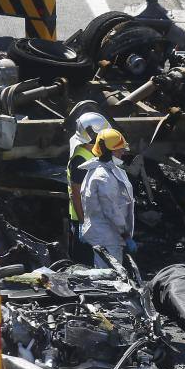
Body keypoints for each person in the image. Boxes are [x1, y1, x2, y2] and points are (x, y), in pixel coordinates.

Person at [80, 129, 136, 269]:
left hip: (104, 233)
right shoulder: (103, 177)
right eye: (119, 150)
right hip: (108, 236)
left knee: (105, 274)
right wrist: (125, 235)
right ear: (108, 151)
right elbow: (111, 210)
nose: (122, 152)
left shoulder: (98, 170)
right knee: (110, 278)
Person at [68, 112, 112, 265]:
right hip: (84, 220)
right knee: (84, 266)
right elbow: (76, 195)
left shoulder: (92, 155)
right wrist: (82, 223)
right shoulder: (80, 160)